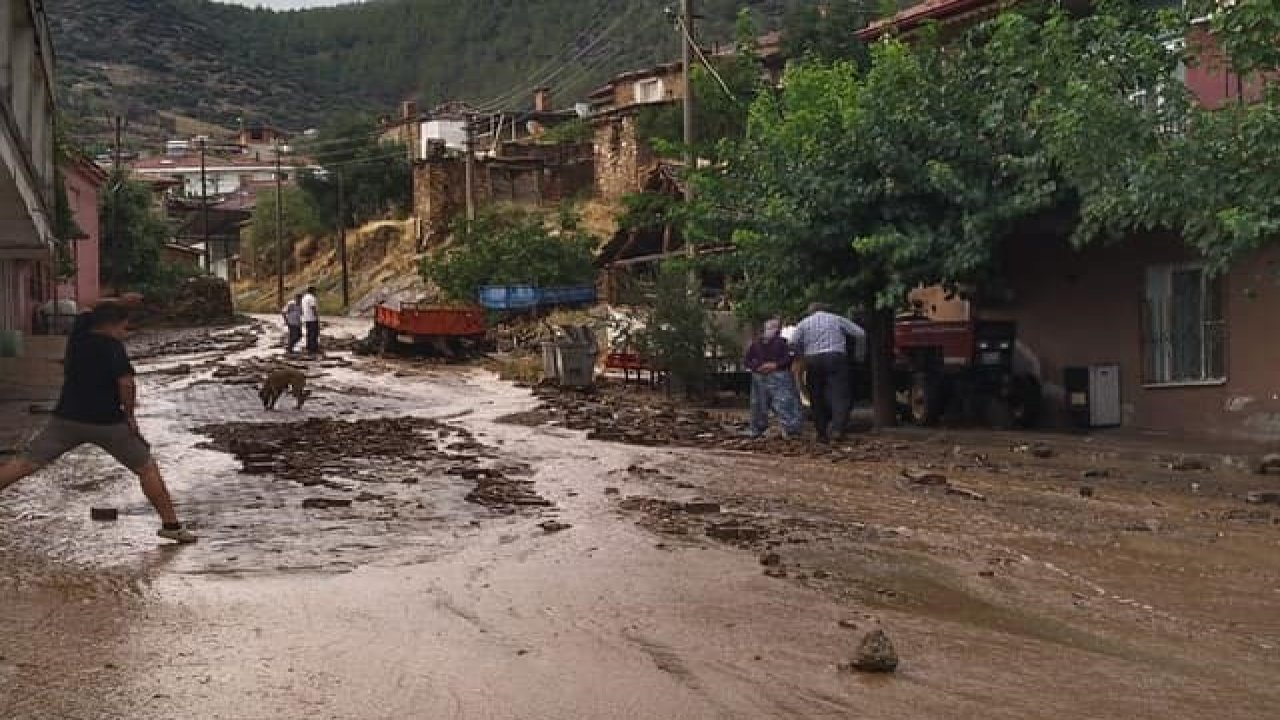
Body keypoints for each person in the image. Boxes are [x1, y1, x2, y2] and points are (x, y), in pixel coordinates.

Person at [0, 299, 197, 544]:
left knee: (25, 462)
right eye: (124, 328)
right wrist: (130, 415)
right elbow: (126, 383)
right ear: (113, 325)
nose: (125, 334)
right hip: (108, 424)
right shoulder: (112, 347)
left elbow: (86, 309)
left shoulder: (78, 335)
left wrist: (116, 302)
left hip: (66, 419)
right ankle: (171, 526)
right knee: (146, 468)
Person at [789, 302, 866, 443]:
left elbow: (793, 342)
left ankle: (821, 433)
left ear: (810, 312)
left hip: (813, 360)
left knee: (816, 396)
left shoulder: (804, 323)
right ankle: (837, 429)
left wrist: (802, 354)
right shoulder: (836, 319)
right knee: (840, 394)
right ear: (825, 309)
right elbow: (860, 333)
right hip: (836, 357)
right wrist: (858, 355)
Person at [743, 318, 803, 439]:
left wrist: (773, 365)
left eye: (774, 327)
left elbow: (789, 358)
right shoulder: (757, 344)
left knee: (781, 402)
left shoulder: (782, 343)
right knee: (763, 404)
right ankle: (787, 429)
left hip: (776, 375)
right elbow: (747, 360)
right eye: (770, 327)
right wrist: (759, 367)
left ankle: (790, 429)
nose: (772, 330)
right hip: (766, 376)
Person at [301, 285, 320, 355]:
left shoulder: (304, 298)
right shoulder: (312, 298)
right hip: (312, 318)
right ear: (312, 291)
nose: (316, 292)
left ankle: (309, 347)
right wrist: (317, 316)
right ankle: (313, 348)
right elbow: (313, 308)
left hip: (306, 318)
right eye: (315, 291)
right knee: (314, 333)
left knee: (309, 333)